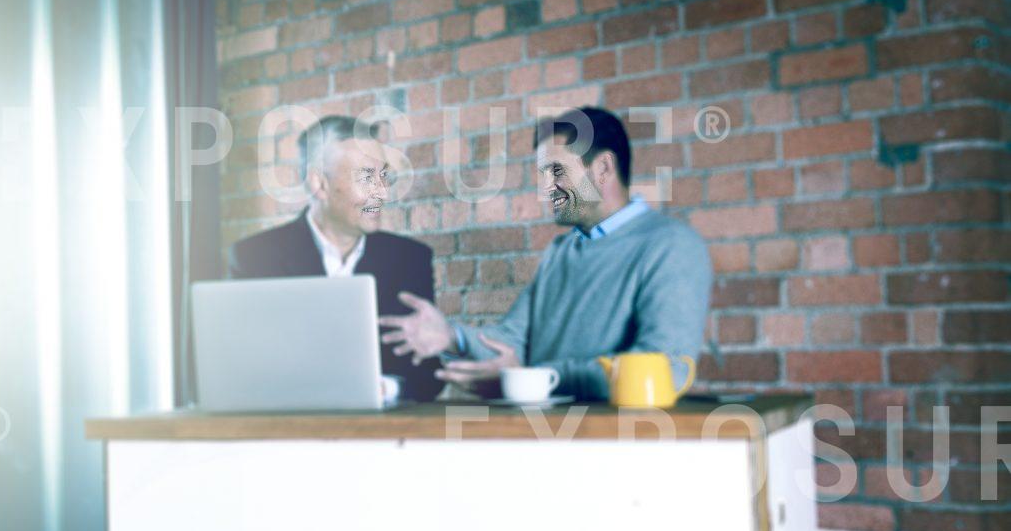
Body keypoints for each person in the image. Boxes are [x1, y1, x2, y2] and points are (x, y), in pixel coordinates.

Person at [379, 106, 711, 400]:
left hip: (618, 449)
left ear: (603, 169)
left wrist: (537, 379)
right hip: (547, 443)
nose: (544, 188)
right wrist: (452, 337)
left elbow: (665, 368)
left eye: (556, 171)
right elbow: (512, 342)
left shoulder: (672, 245)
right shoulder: (562, 250)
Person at [228, 115, 444, 401]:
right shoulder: (255, 259)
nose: (382, 192)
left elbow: (429, 376)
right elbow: (237, 372)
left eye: (384, 177)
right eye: (367, 177)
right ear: (319, 184)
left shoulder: (409, 259)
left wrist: (383, 389)